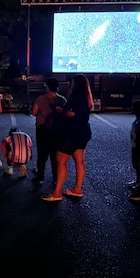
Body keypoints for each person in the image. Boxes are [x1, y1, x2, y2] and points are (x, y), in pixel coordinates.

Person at [42, 74, 94, 202]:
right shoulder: (87, 97)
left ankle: (57, 192)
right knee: (80, 161)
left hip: (71, 132)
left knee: (61, 161)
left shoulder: (76, 96)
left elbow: (72, 113)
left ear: (76, 84)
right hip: (83, 131)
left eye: (72, 82)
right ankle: (77, 190)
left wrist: (61, 111)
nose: (71, 84)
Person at [31, 77, 67, 185]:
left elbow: (34, 112)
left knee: (42, 154)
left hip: (42, 128)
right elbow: (65, 114)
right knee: (55, 154)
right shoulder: (62, 100)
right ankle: (56, 178)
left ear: (47, 87)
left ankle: (40, 177)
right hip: (57, 130)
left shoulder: (41, 99)